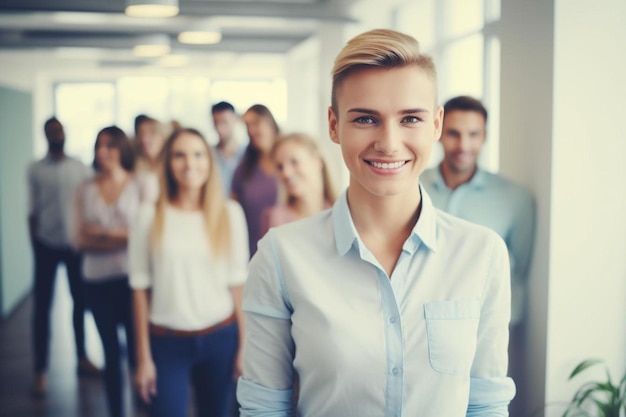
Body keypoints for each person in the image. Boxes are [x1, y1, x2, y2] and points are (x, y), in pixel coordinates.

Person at [237, 28, 516, 416]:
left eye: (410, 119)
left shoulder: (482, 253)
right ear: (334, 126)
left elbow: (486, 404)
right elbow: (264, 407)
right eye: (366, 119)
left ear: (435, 125)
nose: (388, 142)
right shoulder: (281, 256)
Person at [420, 95, 535, 417]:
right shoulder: (412, 186)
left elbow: (519, 267)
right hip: (417, 323)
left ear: (484, 136)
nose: (463, 145)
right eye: (454, 133)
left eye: (474, 134)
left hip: (483, 328)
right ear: (439, 131)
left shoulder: (515, 198)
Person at [130, 128, 249, 417]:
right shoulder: (149, 215)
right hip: (167, 342)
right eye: (179, 155)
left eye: (198, 154)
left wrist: (245, 347)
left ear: (209, 161)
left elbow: (238, 286)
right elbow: (139, 289)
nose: (189, 164)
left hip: (221, 337)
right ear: (168, 164)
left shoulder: (229, 213)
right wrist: (143, 359)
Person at [27, 117, 100, 396]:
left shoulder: (80, 168)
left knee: (79, 303)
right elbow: (31, 211)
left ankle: (82, 358)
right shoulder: (35, 170)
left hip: (74, 247)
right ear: (45, 135)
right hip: (45, 244)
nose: (57, 134)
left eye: (60, 130)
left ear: (65, 133)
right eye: (52, 131)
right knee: (42, 308)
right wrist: (35, 244)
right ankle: (40, 370)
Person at [74, 126, 139, 417]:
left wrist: (99, 233)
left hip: (133, 282)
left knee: (138, 354)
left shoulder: (141, 184)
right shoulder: (85, 189)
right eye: (99, 145)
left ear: (123, 149)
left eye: (111, 145)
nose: (104, 152)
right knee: (111, 355)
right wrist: (125, 236)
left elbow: (145, 237)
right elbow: (78, 240)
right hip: (96, 282)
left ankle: (142, 408)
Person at [261, 132, 337, 234]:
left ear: (317, 161)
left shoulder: (342, 213)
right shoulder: (275, 220)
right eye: (280, 167)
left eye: (294, 162)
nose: (286, 173)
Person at [231, 104, 280, 257]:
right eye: (247, 126)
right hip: (252, 251)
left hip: (287, 249)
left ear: (270, 122)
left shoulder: (289, 163)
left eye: (256, 123)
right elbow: (232, 211)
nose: (251, 130)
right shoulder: (243, 170)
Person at [211, 101, 246, 196]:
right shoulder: (209, 155)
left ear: (235, 120)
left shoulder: (247, 155)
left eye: (224, 122)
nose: (219, 128)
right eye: (215, 123)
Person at [133, 115, 167, 204]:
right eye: (141, 134)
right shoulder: (133, 166)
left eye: (152, 133)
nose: (144, 139)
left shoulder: (172, 166)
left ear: (163, 137)